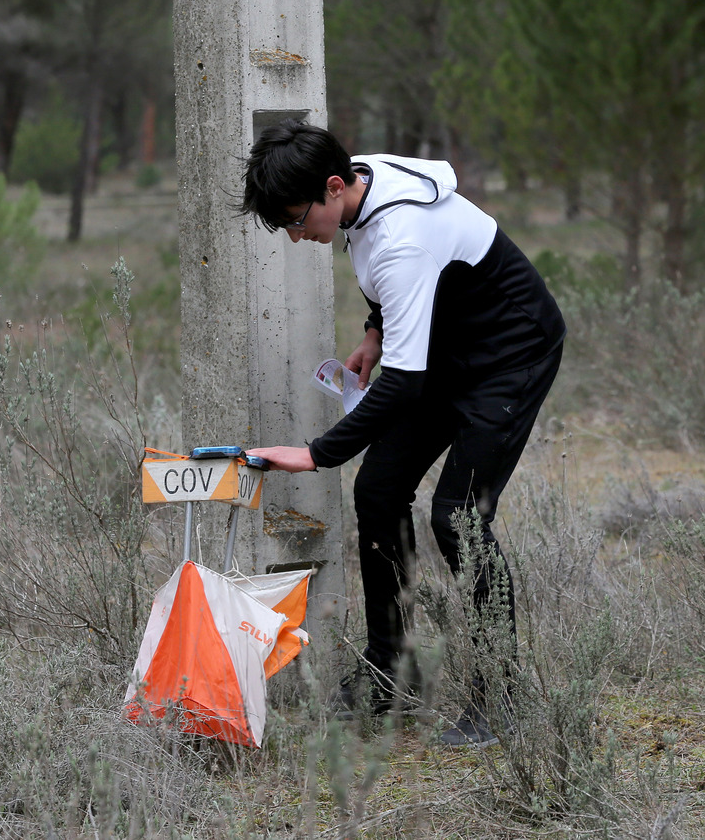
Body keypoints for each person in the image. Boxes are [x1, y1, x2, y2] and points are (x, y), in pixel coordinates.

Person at [242, 120, 565, 747]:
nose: (294, 233)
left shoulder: (400, 239)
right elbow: (404, 288)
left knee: (458, 517)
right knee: (380, 489)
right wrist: (375, 328)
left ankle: (502, 698)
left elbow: (403, 387)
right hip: (451, 347)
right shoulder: (360, 178)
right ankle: (389, 673)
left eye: (295, 217)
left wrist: (315, 454)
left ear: (335, 187)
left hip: (511, 353)